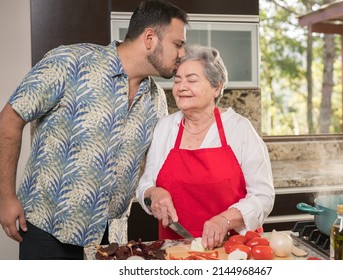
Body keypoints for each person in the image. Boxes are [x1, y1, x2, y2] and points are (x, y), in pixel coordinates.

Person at [0, 0, 188, 260]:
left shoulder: (156, 100)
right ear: (149, 38)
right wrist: (6, 197)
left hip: (110, 242)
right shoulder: (70, 62)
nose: (182, 54)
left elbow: (155, 167)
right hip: (48, 230)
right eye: (178, 44)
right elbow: (10, 120)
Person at [136, 45, 275, 250]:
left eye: (191, 80)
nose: (182, 87)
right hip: (177, 248)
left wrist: (226, 220)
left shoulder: (239, 128)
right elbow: (144, 185)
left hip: (234, 248)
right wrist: (153, 192)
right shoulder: (165, 127)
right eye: (177, 80)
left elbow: (264, 196)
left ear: (216, 87)